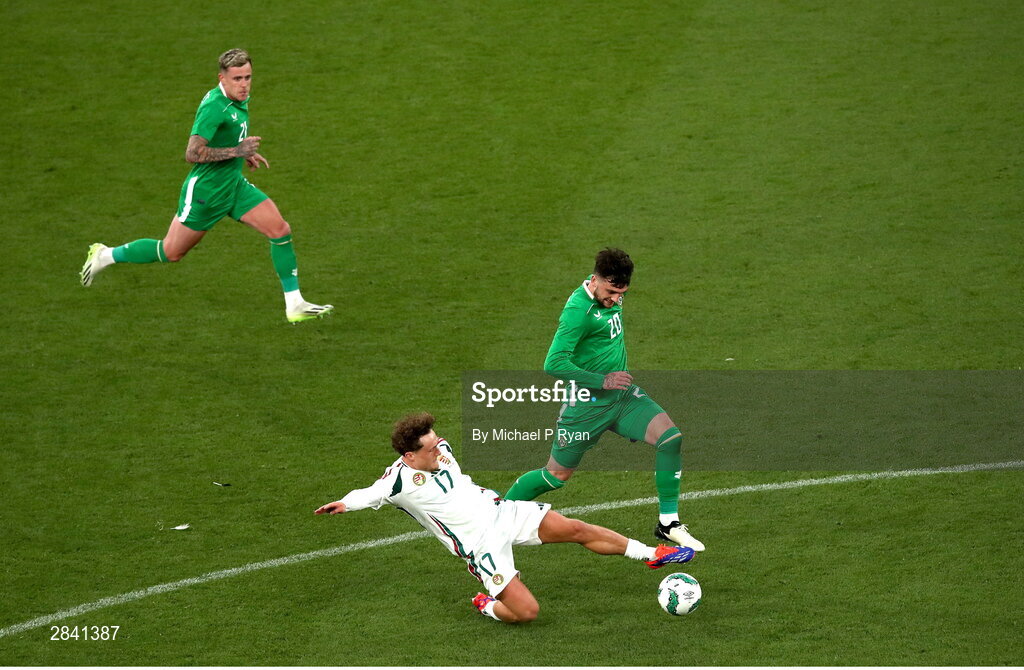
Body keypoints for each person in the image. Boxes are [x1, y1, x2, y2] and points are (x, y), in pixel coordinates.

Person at [314, 412, 694, 623]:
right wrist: (343, 503)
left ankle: (651, 553)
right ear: (410, 456)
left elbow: (443, 453)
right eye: (430, 449)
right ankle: (488, 604)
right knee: (527, 612)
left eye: (436, 441)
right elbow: (368, 493)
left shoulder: (439, 447)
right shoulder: (398, 480)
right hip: (481, 547)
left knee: (575, 528)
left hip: (501, 512)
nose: (439, 449)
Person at [79, 48, 332, 324]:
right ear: (221, 78)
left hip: (233, 186)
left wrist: (243, 152)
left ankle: (294, 304)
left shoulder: (236, 98)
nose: (244, 84)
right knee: (170, 252)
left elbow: (228, 136)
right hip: (206, 193)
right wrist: (237, 151)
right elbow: (193, 153)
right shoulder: (214, 107)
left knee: (280, 229)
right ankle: (105, 255)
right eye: (237, 79)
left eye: (248, 77)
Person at [503, 248, 705, 551]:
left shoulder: (608, 291)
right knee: (556, 475)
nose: (614, 299)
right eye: (610, 291)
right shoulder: (577, 313)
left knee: (671, 438)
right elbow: (554, 363)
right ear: (595, 280)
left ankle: (668, 523)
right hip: (586, 405)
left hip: (622, 398)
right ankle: (496, 514)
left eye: (621, 292)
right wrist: (603, 380)